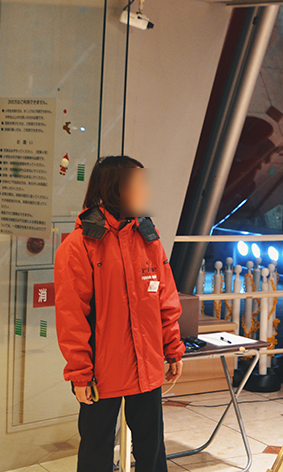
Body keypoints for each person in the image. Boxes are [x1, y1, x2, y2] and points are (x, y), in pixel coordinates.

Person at [55, 156, 184, 472]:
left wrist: (172, 347)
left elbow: (165, 299)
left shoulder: (149, 238)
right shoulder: (79, 245)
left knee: (152, 451)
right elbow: (72, 317)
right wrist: (80, 373)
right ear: (115, 189)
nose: (146, 191)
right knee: (96, 450)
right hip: (102, 371)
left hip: (147, 365)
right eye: (138, 184)